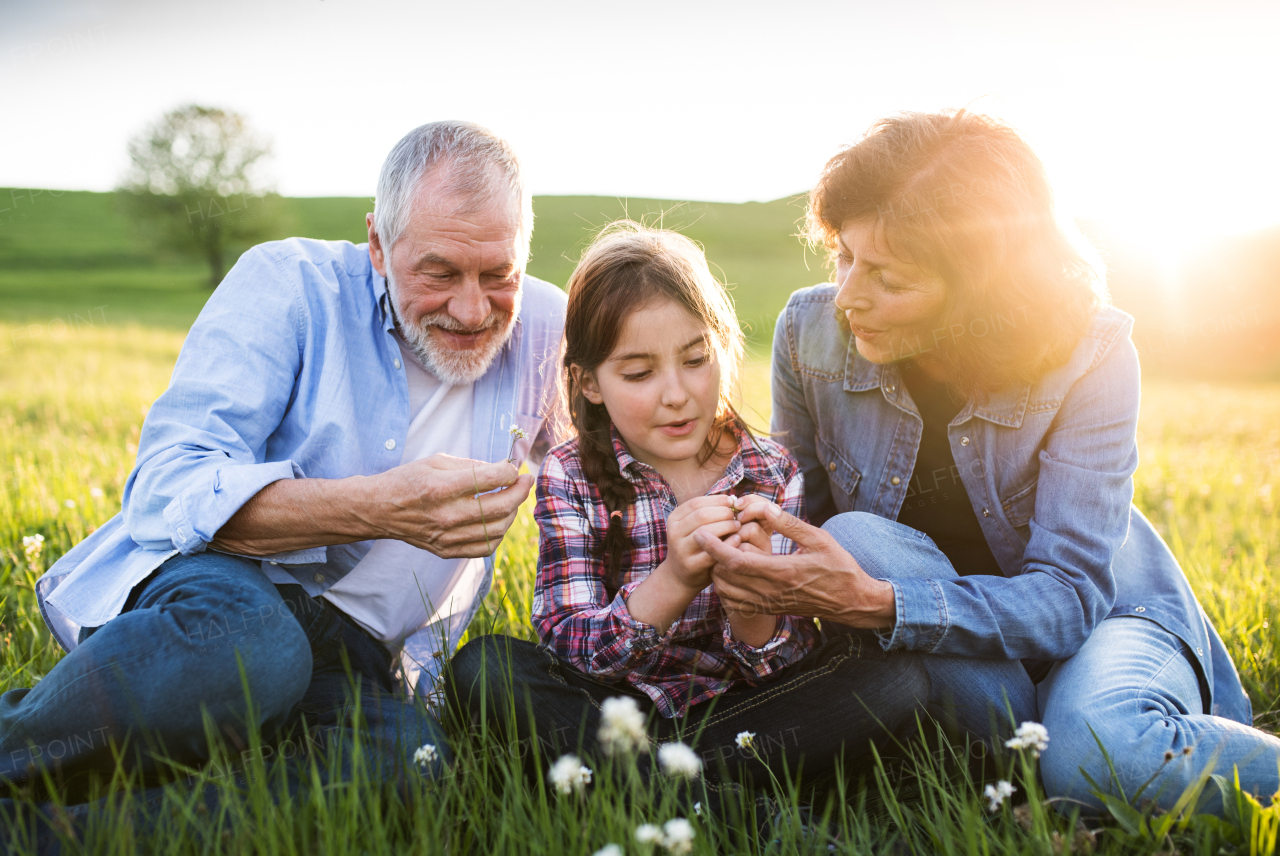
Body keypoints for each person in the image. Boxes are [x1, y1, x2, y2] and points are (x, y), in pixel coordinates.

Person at [697, 109, 1280, 811]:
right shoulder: (810, 333)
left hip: (1101, 623)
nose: (850, 295)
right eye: (845, 256)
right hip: (958, 664)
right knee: (854, 537)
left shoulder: (1091, 355)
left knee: (1100, 758)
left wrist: (878, 604)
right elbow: (805, 532)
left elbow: (1068, 600)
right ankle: (1043, 772)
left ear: (981, 285)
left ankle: (1075, 753)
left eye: (888, 276)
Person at [10, 121, 566, 796]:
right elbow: (168, 483)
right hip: (228, 594)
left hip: (355, 655)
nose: (474, 308)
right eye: (439, 273)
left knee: (408, 770)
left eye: (499, 275)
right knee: (256, 651)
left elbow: (636, 462)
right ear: (378, 246)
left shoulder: (546, 330)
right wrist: (380, 508)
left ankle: (41, 833)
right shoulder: (290, 284)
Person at [446, 223, 928, 793]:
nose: (676, 393)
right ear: (589, 383)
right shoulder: (570, 475)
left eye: (696, 359)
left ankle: (650, 790)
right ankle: (719, 797)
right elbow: (567, 644)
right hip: (614, 710)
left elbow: (786, 658)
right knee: (486, 668)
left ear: (722, 347)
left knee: (896, 680)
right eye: (640, 373)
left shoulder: (770, 471)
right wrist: (673, 579)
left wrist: (755, 602)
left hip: (743, 715)